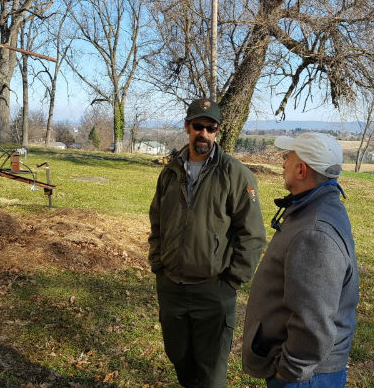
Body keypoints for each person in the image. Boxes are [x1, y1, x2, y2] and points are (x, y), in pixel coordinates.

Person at [148, 98, 266, 388]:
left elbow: (252, 233)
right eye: (198, 126)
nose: (204, 134)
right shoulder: (171, 171)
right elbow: (157, 222)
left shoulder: (234, 173)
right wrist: (158, 265)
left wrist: (231, 281)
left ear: (217, 131)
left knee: (211, 374)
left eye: (210, 128)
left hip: (213, 291)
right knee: (180, 359)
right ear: (187, 127)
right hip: (172, 288)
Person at [242, 132, 359, 388]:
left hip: (304, 378)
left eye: (288, 158)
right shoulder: (316, 208)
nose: (283, 163)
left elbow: (313, 321)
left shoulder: (314, 232)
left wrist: (290, 371)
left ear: (301, 170)